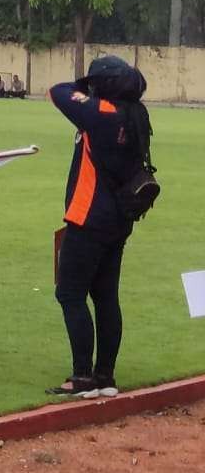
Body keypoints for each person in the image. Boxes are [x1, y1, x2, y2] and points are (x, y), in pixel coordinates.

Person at [46, 56, 152, 399]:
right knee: (106, 296)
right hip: (120, 218)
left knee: (70, 294)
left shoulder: (100, 112)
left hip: (88, 216)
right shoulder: (136, 112)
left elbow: (58, 91)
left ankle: (82, 376)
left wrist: (84, 86)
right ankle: (105, 376)